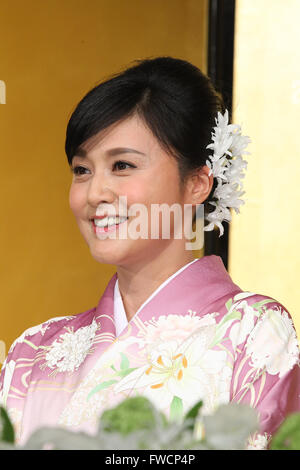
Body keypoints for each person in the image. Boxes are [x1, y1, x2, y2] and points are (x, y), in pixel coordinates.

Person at [0, 56, 299, 450]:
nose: (94, 194)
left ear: (196, 183)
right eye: (81, 170)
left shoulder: (252, 334)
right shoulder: (33, 351)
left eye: (122, 165)